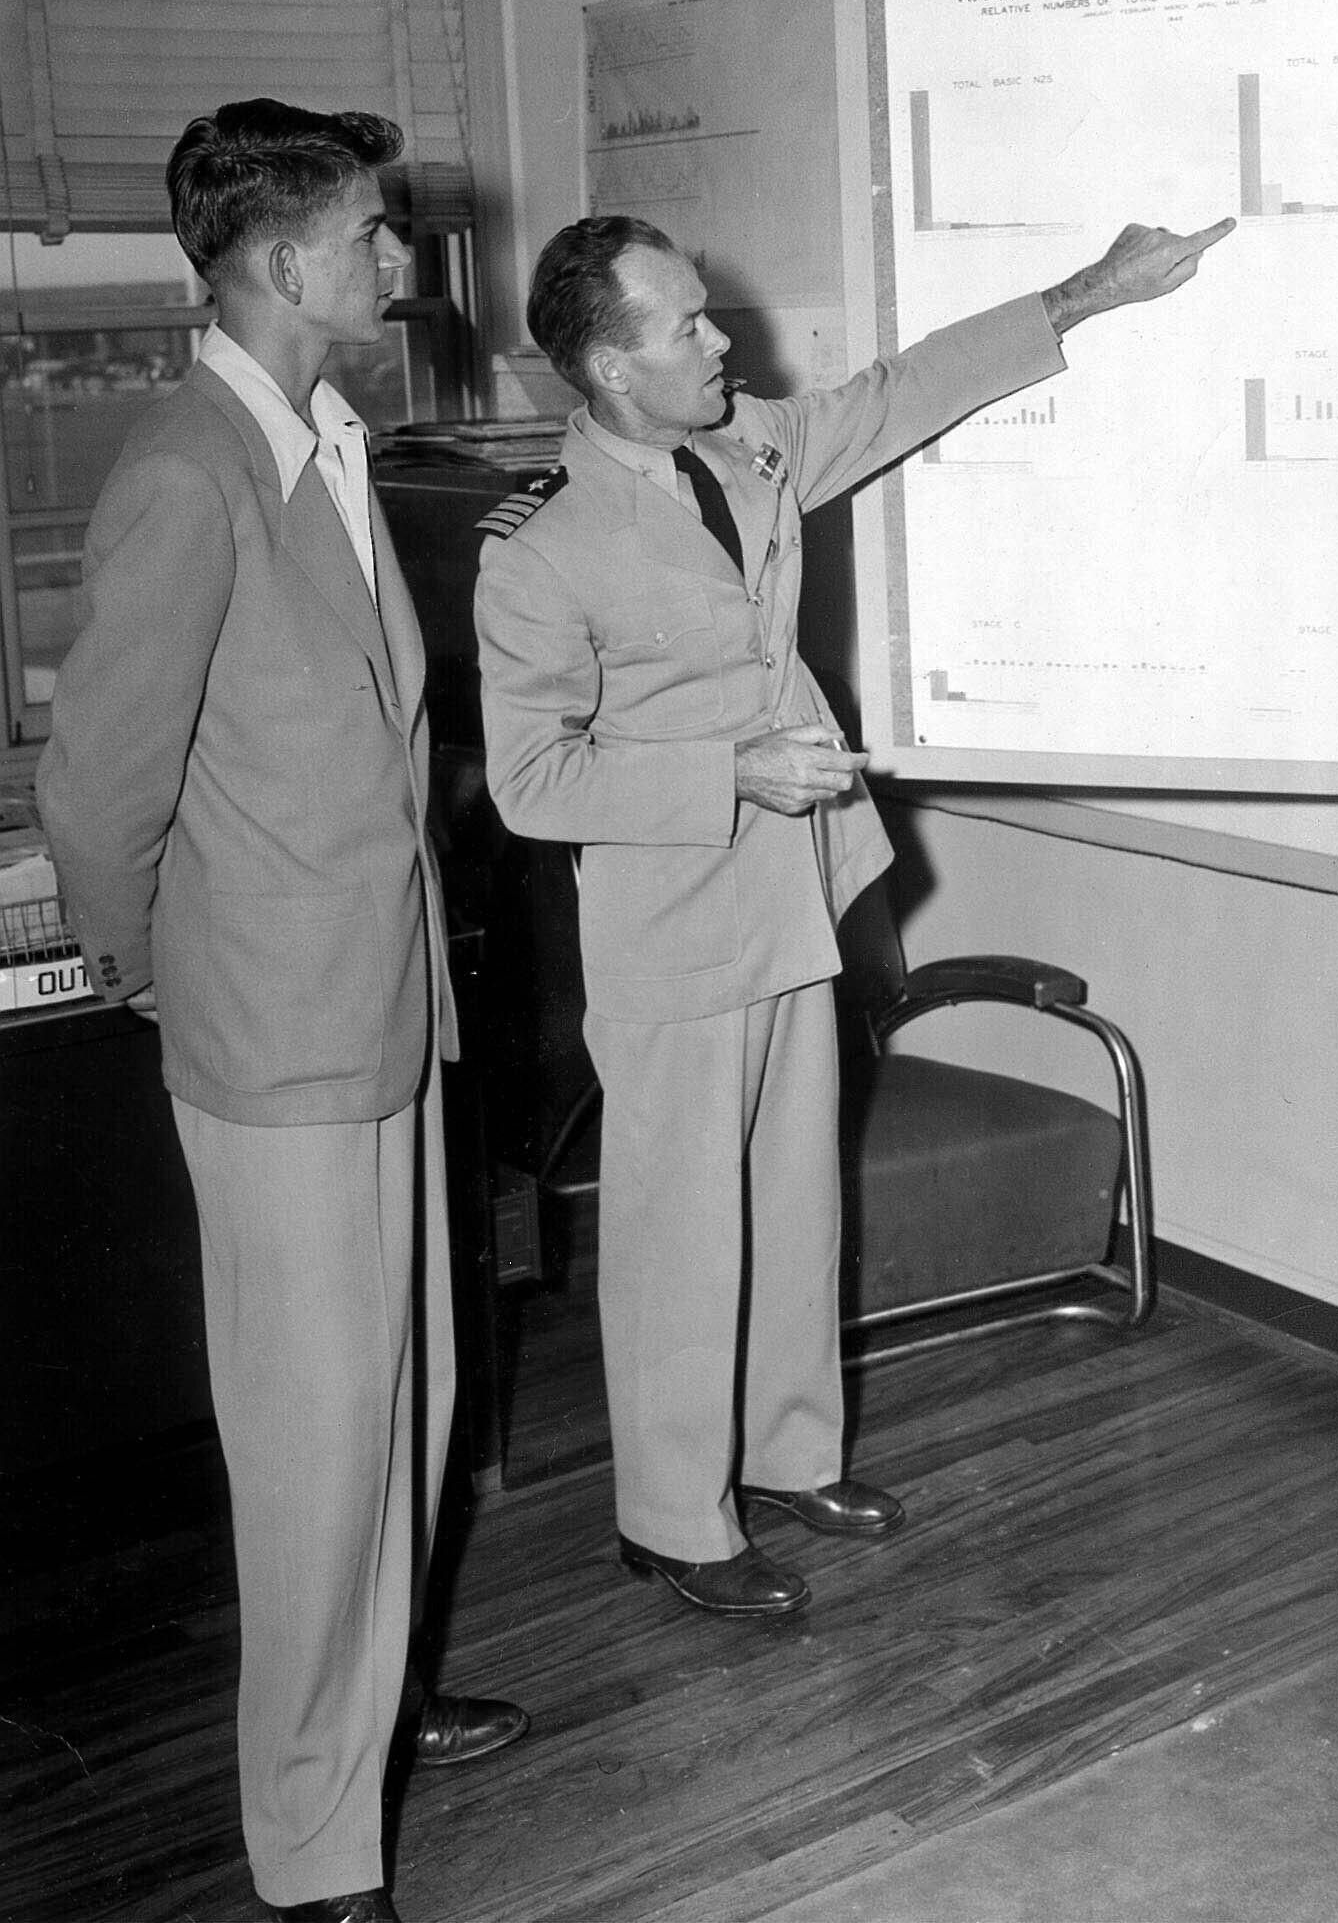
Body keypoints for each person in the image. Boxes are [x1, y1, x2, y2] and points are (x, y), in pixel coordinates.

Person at [474, 210, 1232, 1621]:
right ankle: (673, 1521)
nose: (724, 341)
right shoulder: (539, 548)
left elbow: (901, 393)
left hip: (796, 901)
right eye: (688, 327)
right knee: (680, 1236)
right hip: (672, 927)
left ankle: (787, 1456)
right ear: (608, 369)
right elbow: (528, 781)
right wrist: (732, 770)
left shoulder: (749, 445)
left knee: (792, 1199)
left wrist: (1093, 288)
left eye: (711, 312)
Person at [37, 100, 526, 1923]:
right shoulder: (191, 467)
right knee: (320, 1439)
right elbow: (97, 782)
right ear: (288, 266)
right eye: (377, 236)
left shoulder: (324, 438)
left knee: (412, 1395)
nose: (401, 259)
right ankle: (317, 1839)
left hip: (383, 1011)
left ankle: (371, 1708)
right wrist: (158, 972)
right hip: (275, 1037)